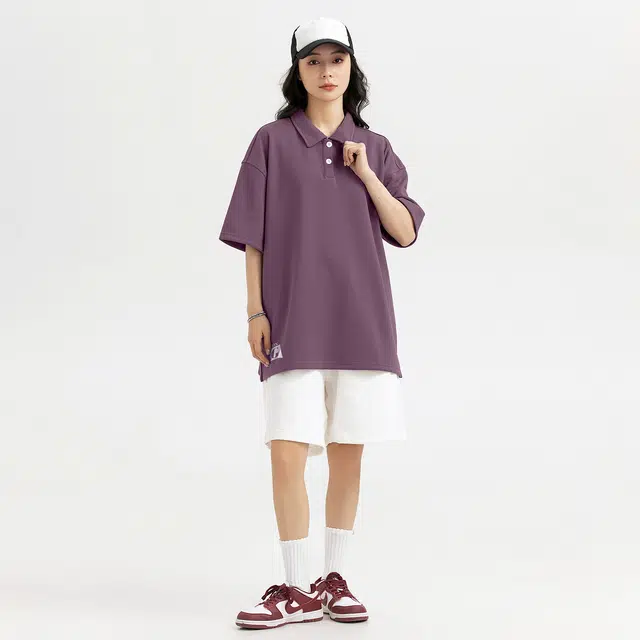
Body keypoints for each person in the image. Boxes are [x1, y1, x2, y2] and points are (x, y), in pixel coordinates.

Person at [219, 16, 426, 630]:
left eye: (337, 59)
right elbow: (253, 237)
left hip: (362, 324)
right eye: (313, 61)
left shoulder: (376, 148)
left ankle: (334, 581)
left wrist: (365, 173)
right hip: (291, 319)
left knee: (347, 453)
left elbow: (405, 231)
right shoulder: (271, 142)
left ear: (351, 68)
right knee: (287, 451)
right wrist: (255, 310)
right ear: (298, 71)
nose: (326, 71)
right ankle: (293, 587)